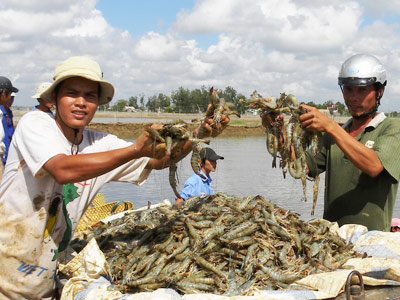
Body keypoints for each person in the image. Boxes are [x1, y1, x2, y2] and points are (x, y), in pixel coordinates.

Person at [0, 56, 229, 299]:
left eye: (90, 96)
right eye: (72, 93)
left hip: (44, 282)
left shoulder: (102, 144)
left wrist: (202, 133)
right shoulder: (34, 124)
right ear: (54, 98)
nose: (81, 102)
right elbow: (61, 169)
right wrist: (135, 150)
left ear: (98, 102)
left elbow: (158, 160)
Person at [262, 53, 400, 232]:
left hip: (371, 241)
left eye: (362, 90)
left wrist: (330, 126)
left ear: (379, 91)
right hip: (332, 239)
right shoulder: (336, 135)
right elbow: (300, 168)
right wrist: (277, 131)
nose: (353, 97)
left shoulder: (391, 128)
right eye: (348, 89)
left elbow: (374, 166)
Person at [0, 76, 18, 167]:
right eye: (9, 95)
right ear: (3, 93)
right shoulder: (1, 113)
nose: (10, 99)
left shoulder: (7, 113)